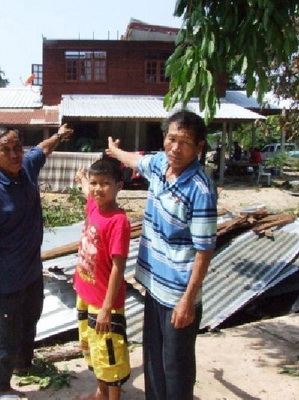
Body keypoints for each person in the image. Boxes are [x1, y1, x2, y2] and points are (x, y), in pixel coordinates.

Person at [106, 110, 217, 400]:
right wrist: (115, 150)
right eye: (171, 139)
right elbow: (136, 161)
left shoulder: (200, 189)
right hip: (154, 286)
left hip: (179, 295)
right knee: (153, 359)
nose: (175, 148)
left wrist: (188, 301)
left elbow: (205, 249)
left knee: (176, 368)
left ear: (199, 147)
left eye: (185, 142)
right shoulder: (159, 164)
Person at [0, 124, 73, 399]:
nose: (15, 154)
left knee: (30, 318)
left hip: (31, 271)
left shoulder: (26, 168)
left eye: (17, 147)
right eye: (6, 150)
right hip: (6, 277)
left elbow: (43, 149)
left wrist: (60, 135)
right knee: (6, 331)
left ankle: (22, 365)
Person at [73, 159, 131, 400]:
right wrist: (83, 179)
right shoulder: (94, 205)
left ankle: (113, 397)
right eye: (95, 183)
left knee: (110, 353)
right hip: (85, 293)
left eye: (105, 184)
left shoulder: (119, 221)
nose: (98, 189)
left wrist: (107, 308)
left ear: (119, 186)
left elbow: (119, 267)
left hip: (105, 302)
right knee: (92, 348)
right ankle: (100, 392)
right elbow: (88, 188)